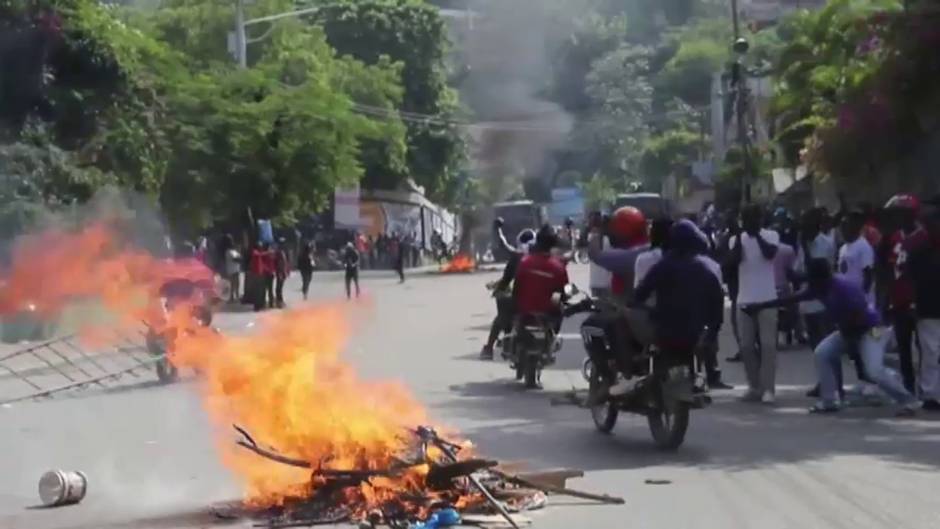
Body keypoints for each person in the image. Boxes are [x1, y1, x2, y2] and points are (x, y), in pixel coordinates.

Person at [743, 259, 919, 416]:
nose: (811, 284)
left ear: (823, 278)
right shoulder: (818, 288)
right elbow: (791, 299)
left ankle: (908, 400)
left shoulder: (845, 288)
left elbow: (861, 316)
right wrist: (760, 306)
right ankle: (829, 401)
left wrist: (852, 348)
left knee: (872, 369)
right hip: (849, 331)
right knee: (822, 353)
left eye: (813, 280)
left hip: (873, 329)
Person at [633, 220, 724, 384]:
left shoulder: (662, 267)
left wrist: (640, 306)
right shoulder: (704, 270)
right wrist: (711, 332)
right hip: (694, 334)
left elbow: (640, 294)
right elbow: (717, 304)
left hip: (665, 331)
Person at [727, 205, 780, 404]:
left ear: (761, 219)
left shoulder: (771, 235)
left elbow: (770, 254)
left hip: (767, 298)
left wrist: (757, 235)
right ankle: (754, 386)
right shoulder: (736, 239)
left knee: (767, 346)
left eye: (754, 218)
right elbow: (734, 260)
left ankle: (769, 389)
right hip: (745, 298)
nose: (751, 222)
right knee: (746, 346)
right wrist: (741, 236)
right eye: (747, 218)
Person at [883, 194, 922, 393]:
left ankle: (928, 386)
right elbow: (889, 269)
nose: (897, 218)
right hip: (898, 301)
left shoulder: (923, 237)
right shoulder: (895, 237)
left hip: (919, 302)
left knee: (925, 347)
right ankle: (908, 386)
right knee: (903, 349)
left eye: (900, 214)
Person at [480, 220, 535, 359]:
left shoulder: (517, 256)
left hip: (519, 301)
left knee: (501, 317)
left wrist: (497, 229)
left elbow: (506, 279)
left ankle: (489, 348)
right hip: (540, 301)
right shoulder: (546, 257)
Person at [904, 198, 940, 410]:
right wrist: (912, 303)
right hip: (927, 308)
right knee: (931, 352)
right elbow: (910, 277)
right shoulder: (918, 247)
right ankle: (930, 394)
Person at [513, 225, 568, 337]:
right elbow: (561, 292)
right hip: (547, 312)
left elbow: (517, 287)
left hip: (525, 311)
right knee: (561, 307)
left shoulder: (525, 262)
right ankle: (553, 336)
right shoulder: (558, 267)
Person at [838, 210, 876, 306]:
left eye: (845, 225)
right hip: (847, 300)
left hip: (861, 302)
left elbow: (869, 277)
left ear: (855, 227)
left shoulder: (863, 246)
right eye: (841, 226)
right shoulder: (843, 248)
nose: (841, 229)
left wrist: (860, 298)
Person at [586, 212, 612, 298]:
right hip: (606, 282)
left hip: (594, 282)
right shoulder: (608, 240)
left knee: (597, 309)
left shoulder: (590, 238)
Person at [223, 234, 241, 303]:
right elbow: (236, 259)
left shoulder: (228, 251)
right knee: (235, 283)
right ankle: (234, 296)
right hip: (234, 269)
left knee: (232, 283)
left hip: (231, 268)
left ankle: (232, 297)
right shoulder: (230, 251)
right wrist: (240, 256)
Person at [274, 239, 290, 308]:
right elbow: (279, 263)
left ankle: (279, 301)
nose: (282, 245)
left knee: (280, 287)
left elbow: (287, 262)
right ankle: (279, 301)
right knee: (279, 287)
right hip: (280, 271)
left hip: (283, 271)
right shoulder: (278, 252)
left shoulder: (285, 252)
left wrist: (287, 271)